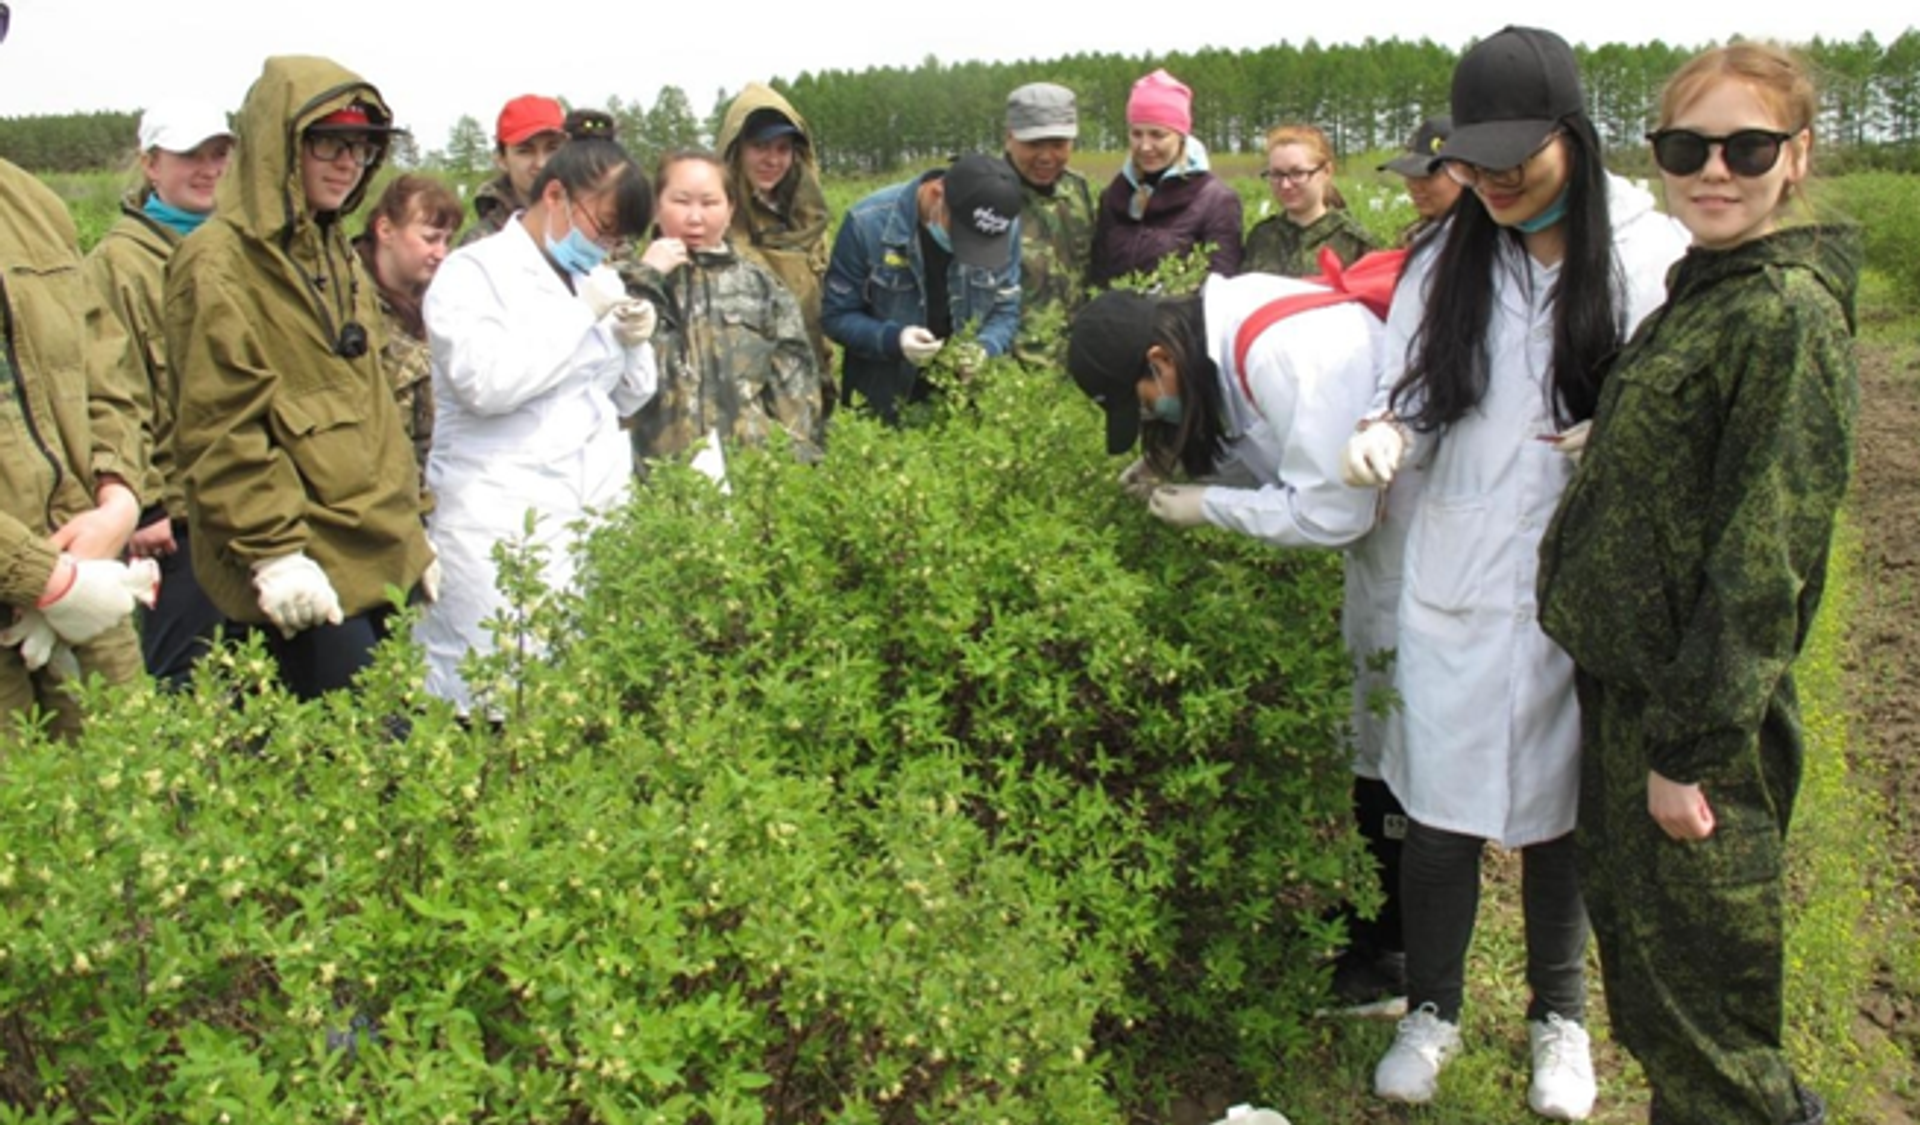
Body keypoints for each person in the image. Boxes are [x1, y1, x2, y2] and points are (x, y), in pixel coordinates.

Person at [1339, 26, 1689, 1119]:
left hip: (1580, 580)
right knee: (1439, 804)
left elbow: (1686, 411)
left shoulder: (1647, 254)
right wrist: (1388, 431)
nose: (1493, 182)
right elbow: (1409, 385)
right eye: (1474, 161)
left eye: (1515, 160)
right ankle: (1433, 1009)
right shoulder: (1448, 259)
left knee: (1560, 809)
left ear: (1571, 138)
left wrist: (1623, 434)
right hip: (1458, 572)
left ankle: (1559, 1019)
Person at [1538, 42, 1853, 1125]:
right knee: (1658, 1004)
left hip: (1693, 727)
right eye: (1686, 147)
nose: (1714, 171)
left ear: (1795, 156)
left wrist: (1688, 754)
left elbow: (1765, 563)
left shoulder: (1785, 313)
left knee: (1711, 1034)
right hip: (1634, 700)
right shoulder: (1706, 294)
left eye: (1747, 148)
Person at [1066, 259, 1416, 1019]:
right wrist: (1177, 462)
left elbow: (1332, 514)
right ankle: (1373, 927)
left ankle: (1396, 954)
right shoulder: (1224, 331)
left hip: (1421, 552)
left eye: (1142, 402)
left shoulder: (1283, 353)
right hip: (1390, 552)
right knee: (1374, 731)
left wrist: (1209, 505)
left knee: (1398, 740)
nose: (1151, 414)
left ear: (1159, 360)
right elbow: (1273, 449)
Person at [166, 57, 433, 701]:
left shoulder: (334, 251)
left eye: (361, 148)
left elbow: (373, 407)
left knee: (389, 737)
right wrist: (274, 552)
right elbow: (221, 426)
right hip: (300, 556)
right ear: (278, 145)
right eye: (328, 144)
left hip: (373, 547)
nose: (348, 164)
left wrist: (411, 531)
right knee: (352, 745)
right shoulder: (218, 261)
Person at [418, 124, 658, 717]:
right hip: (498, 516)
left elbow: (628, 397)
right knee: (491, 700)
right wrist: (580, 317)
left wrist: (635, 343)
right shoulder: (473, 274)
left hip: (587, 514)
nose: (607, 248)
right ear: (555, 196)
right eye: (603, 227)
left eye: (619, 239)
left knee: (579, 702)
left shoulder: (594, 277)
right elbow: (485, 383)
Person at [0, 1, 156, 737]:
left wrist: (118, 499)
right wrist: (43, 576)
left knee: (132, 784)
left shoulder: (31, 206)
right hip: (50, 582)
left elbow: (106, 371)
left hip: (87, 580)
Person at [82, 98, 236, 687]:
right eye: (190, 156)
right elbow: (110, 389)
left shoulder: (239, 249)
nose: (209, 169)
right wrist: (145, 504)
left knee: (254, 673)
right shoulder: (118, 264)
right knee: (186, 676)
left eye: (218, 154)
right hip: (175, 518)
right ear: (150, 165)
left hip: (243, 502)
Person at [628, 150, 821, 469]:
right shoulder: (620, 285)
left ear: (730, 209)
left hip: (746, 472)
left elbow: (795, 391)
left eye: (709, 203)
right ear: (656, 207)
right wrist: (645, 278)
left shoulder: (762, 288)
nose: (695, 217)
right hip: (653, 477)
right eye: (681, 201)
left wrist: (793, 468)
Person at [821, 153, 1023, 423]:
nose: (965, 251)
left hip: (965, 408)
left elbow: (1006, 308)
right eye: (962, 235)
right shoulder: (867, 224)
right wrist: (895, 340)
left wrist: (985, 347)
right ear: (937, 193)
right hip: (882, 403)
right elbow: (835, 316)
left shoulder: (1000, 225)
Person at [717, 84, 834, 380]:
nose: (772, 160)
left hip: (808, 378)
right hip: (741, 384)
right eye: (760, 147)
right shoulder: (710, 221)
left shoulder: (807, 220)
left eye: (783, 149)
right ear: (736, 149)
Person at [354, 174, 464, 487]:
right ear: (386, 230)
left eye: (447, 240)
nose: (441, 253)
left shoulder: (448, 299)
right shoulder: (349, 301)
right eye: (430, 239)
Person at [1089, 68, 1243, 288]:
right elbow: (1097, 275)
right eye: (1136, 134)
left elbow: (1220, 287)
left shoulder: (1216, 201)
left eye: (1157, 135)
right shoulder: (1114, 195)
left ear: (1181, 136)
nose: (1145, 146)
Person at [1002, 82, 1095, 359]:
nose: (1046, 157)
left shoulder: (1076, 190)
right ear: (1009, 137)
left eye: (1058, 145)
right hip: (1013, 371)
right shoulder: (986, 196)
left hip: (1078, 360)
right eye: (1033, 144)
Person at [1243, 124, 1378, 277]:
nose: (1285, 185)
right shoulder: (1262, 237)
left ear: (1326, 171)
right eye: (1277, 174)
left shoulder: (1354, 242)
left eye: (1298, 173)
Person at [459, 94, 567, 247]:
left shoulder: (591, 227)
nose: (541, 163)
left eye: (552, 149)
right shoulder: (482, 244)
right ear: (501, 160)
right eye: (525, 151)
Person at [1379, 115, 1464, 245]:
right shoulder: (1414, 237)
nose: (1414, 186)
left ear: (1467, 174)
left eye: (1428, 176)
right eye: (1409, 175)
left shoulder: (1488, 239)